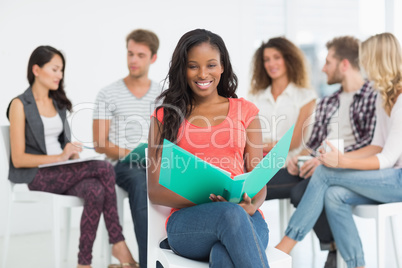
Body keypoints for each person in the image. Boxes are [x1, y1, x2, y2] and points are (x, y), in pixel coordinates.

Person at [276, 32, 402, 268]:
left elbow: (386, 158)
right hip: (389, 176)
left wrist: (339, 162)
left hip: (398, 178)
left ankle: (283, 248)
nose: (362, 66)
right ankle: (357, 265)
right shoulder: (382, 96)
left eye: (367, 60)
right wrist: (332, 158)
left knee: (325, 173)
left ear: (378, 61)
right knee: (334, 196)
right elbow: (376, 145)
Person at [148, 29, 269, 267]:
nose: (203, 73)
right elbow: (155, 190)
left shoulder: (246, 111)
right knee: (230, 214)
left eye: (211, 65)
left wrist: (252, 205)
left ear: (223, 67)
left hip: (246, 218)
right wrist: (209, 200)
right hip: (188, 225)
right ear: (183, 69)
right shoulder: (165, 116)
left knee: (222, 255)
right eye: (193, 66)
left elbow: (259, 179)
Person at [6, 46, 137, 268]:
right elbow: (18, 159)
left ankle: (83, 263)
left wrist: (71, 153)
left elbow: (62, 143)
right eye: (55, 69)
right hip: (34, 176)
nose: (60, 75)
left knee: (95, 189)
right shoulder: (19, 105)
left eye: (62, 70)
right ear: (36, 70)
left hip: (60, 172)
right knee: (104, 168)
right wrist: (60, 156)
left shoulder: (57, 104)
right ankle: (118, 241)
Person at [93, 29, 161, 268]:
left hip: (155, 162)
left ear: (153, 58)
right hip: (123, 165)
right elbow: (100, 143)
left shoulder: (162, 95)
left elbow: (170, 138)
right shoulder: (108, 93)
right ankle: (147, 264)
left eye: (141, 55)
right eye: (130, 53)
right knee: (142, 183)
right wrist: (133, 153)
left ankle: (171, 258)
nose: (133, 60)